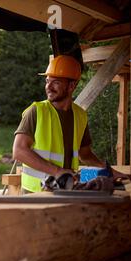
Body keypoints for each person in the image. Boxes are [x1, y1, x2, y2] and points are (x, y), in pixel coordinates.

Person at [13, 55, 127, 193]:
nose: (48, 87)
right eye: (47, 81)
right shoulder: (36, 111)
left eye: (56, 82)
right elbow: (19, 151)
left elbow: (85, 155)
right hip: (36, 191)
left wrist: (109, 171)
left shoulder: (80, 115)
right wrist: (57, 171)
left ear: (71, 86)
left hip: (65, 188)